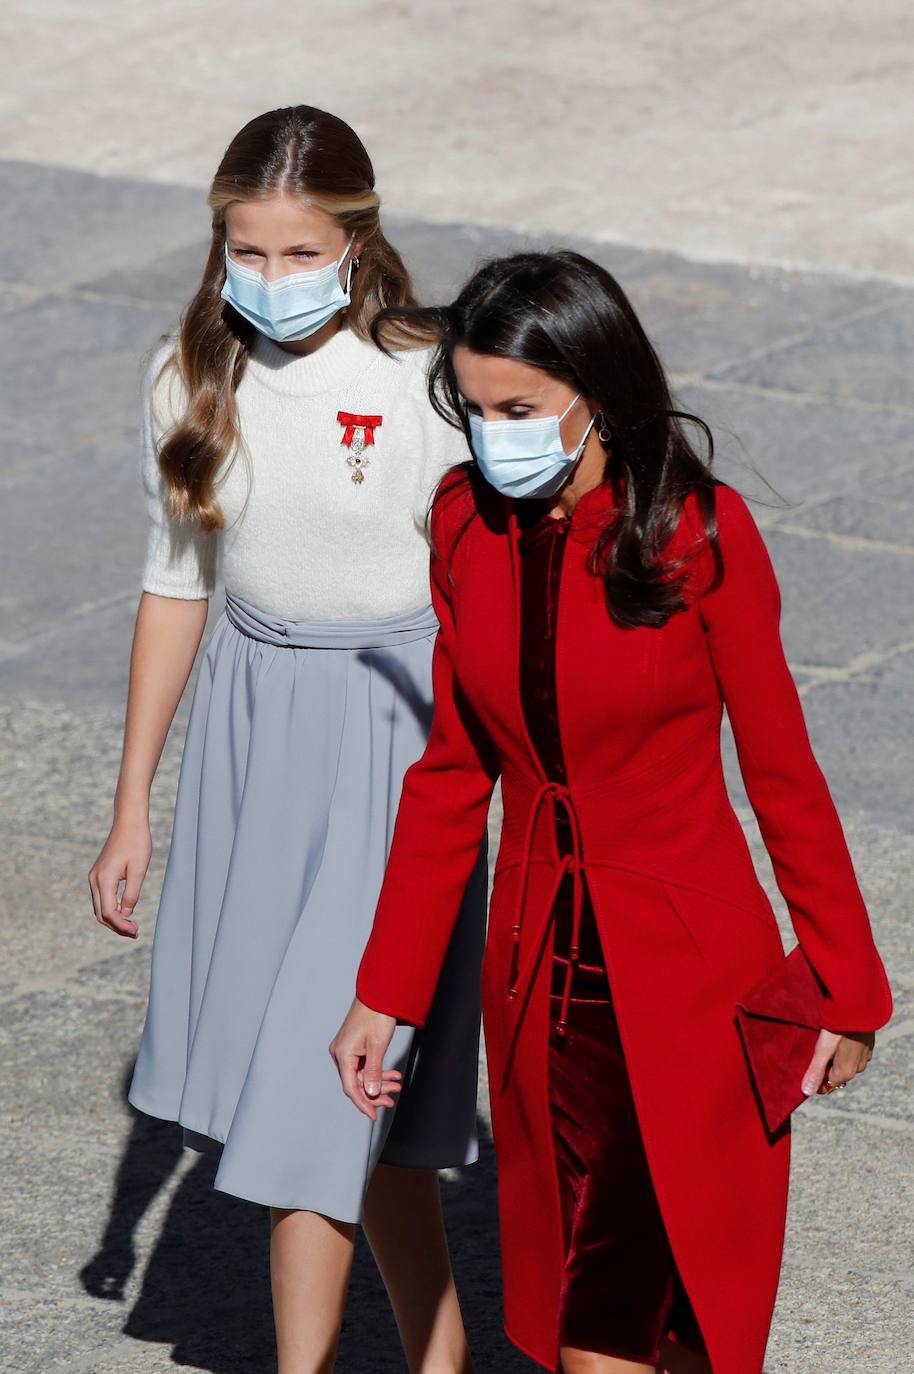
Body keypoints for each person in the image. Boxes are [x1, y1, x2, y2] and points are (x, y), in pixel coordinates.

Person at [330, 251, 893, 1374]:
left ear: (596, 392)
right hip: (538, 994)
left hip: (686, 993)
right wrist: (381, 992)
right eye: (475, 408)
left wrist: (845, 982)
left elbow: (780, 773)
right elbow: (450, 775)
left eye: (520, 409)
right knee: (645, 1325)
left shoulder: (697, 533)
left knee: (618, 1324)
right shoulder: (460, 526)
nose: (493, 435)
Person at [88, 105, 486, 1374]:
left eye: (299, 253)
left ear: (358, 243)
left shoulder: (432, 376)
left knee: (318, 1095)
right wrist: (135, 801)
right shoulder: (188, 378)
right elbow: (176, 585)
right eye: (244, 254)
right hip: (256, 744)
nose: (268, 281)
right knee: (366, 1132)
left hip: (400, 734)